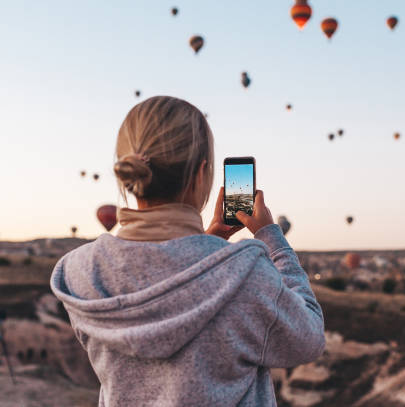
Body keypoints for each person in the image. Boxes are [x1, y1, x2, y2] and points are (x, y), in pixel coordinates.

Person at [50, 96, 325, 406]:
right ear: (202, 173)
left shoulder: (80, 272)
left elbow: (163, 285)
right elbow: (309, 337)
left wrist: (209, 241)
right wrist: (270, 236)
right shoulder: (245, 274)